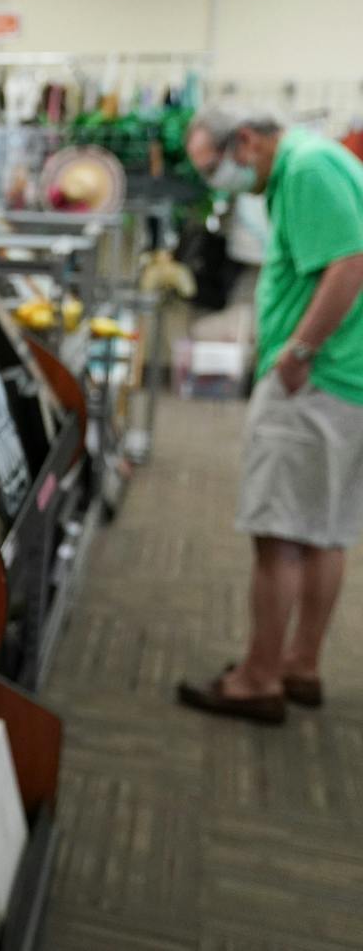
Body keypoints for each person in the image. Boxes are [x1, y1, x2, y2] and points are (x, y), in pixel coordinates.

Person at [177, 105, 363, 724]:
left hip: (316, 382)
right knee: (321, 532)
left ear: (247, 141)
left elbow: (351, 263)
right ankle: (300, 666)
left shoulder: (307, 168)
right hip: (341, 382)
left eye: (214, 165)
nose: (216, 180)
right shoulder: (309, 167)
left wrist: (298, 352)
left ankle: (258, 679)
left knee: (278, 537)